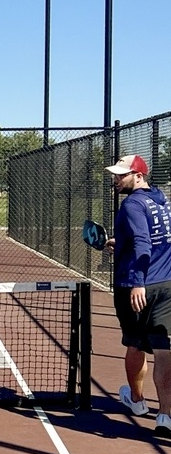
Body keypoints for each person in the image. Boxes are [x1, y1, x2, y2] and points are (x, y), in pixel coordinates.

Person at [103, 155, 171, 436]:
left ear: (139, 176)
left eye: (122, 175)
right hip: (167, 284)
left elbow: (143, 242)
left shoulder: (131, 204)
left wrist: (138, 282)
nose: (116, 180)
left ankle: (138, 400)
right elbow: (155, 238)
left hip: (135, 285)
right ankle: (165, 416)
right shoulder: (161, 200)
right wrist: (122, 244)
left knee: (134, 345)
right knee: (163, 349)